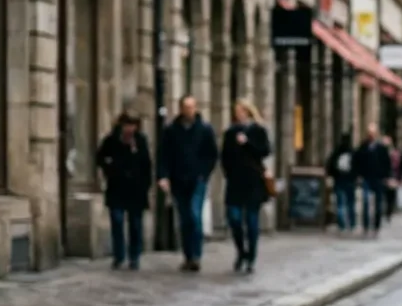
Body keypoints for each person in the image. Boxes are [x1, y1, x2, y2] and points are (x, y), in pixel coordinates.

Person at [157, 96, 219, 272]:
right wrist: (163, 176)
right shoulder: (171, 130)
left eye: (191, 107)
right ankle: (188, 255)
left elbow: (212, 155)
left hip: (197, 180)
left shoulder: (204, 129)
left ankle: (196, 256)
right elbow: (164, 155)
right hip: (178, 180)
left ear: (196, 108)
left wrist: (203, 174)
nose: (189, 110)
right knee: (184, 219)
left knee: (194, 215)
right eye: (185, 107)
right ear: (180, 108)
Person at [220, 99, 272, 273]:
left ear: (248, 112)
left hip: (253, 181)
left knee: (251, 221)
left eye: (241, 111)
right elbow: (224, 156)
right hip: (235, 181)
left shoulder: (258, 130)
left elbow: (265, 151)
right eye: (237, 111)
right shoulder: (231, 132)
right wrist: (228, 172)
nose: (238, 114)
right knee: (234, 218)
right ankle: (241, 251)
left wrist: (247, 143)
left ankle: (251, 257)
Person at [96, 111, 152, 270]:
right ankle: (119, 255)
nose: (129, 128)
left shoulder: (140, 141)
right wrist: (110, 169)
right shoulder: (112, 140)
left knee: (135, 223)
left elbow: (146, 164)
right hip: (117, 186)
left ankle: (134, 256)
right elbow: (100, 157)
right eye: (127, 125)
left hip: (136, 189)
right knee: (117, 220)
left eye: (133, 125)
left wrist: (145, 185)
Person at [354, 123, 393, 236]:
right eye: (369, 133)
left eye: (373, 133)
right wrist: (359, 174)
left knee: (378, 204)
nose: (371, 135)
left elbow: (387, 163)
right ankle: (366, 226)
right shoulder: (363, 146)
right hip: (366, 177)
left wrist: (386, 176)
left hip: (378, 178)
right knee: (366, 202)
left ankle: (376, 225)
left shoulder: (381, 148)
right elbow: (357, 160)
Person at [326, 133, 357, 233]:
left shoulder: (336, 152)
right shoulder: (352, 152)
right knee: (350, 203)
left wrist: (333, 175)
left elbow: (330, 165)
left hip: (339, 180)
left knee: (340, 204)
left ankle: (342, 224)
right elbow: (356, 166)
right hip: (349, 181)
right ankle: (351, 223)